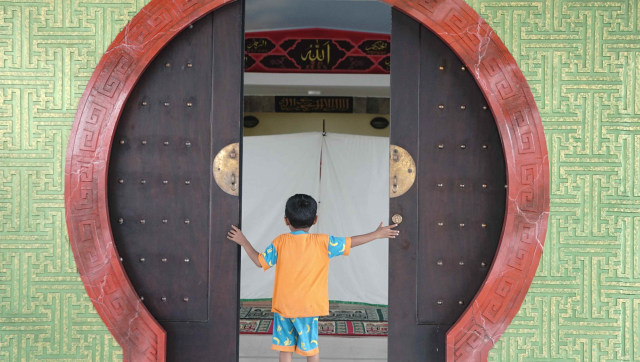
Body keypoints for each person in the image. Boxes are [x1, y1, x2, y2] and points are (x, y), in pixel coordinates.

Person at [227, 193, 399, 362]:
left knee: (285, 348)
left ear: (286, 220)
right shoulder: (323, 242)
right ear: (315, 219)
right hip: (309, 308)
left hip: (284, 306)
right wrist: (376, 234)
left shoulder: (280, 242)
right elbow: (350, 242)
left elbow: (259, 261)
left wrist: (243, 241)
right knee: (311, 349)